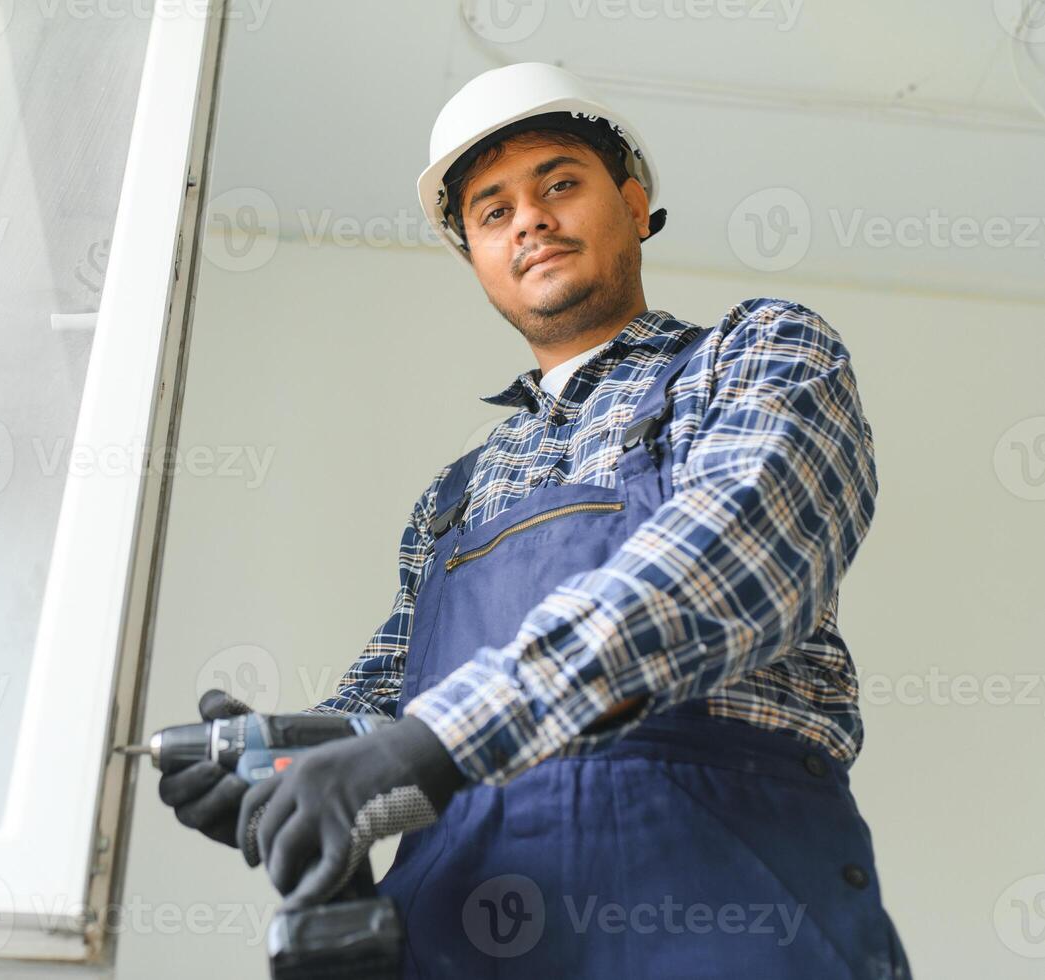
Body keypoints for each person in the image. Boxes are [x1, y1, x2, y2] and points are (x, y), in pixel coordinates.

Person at [161, 62, 911, 978]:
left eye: (560, 183)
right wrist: (286, 767)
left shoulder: (754, 354)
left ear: (634, 204)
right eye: (491, 210)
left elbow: (730, 567)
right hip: (457, 935)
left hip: (719, 907)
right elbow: (393, 725)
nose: (530, 220)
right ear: (474, 256)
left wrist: (428, 745)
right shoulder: (456, 495)